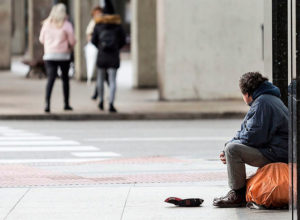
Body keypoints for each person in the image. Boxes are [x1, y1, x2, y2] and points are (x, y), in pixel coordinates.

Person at [213, 72, 288, 208]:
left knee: (233, 150)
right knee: (230, 147)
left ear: (247, 93)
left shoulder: (263, 103)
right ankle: (238, 191)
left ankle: (238, 194)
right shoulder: (268, 99)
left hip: (277, 153)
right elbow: (245, 131)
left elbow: (254, 137)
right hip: (276, 149)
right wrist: (229, 144)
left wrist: (228, 148)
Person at [39, 3, 76, 113]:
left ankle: (47, 104)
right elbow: (72, 41)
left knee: (51, 79)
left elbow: (41, 39)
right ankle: (66, 104)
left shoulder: (47, 24)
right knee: (65, 79)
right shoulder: (66, 25)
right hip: (63, 55)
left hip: (50, 55)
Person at [91, 13, 126, 113]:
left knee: (100, 79)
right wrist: (115, 48)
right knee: (112, 80)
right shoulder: (118, 27)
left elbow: (93, 40)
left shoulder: (98, 26)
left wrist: (101, 47)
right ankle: (111, 103)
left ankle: (101, 101)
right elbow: (123, 41)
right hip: (113, 56)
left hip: (102, 56)